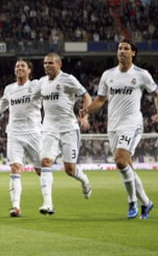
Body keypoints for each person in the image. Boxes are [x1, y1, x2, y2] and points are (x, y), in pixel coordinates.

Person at [81, 40, 158, 219]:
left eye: (126, 49)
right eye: (120, 48)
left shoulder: (141, 74)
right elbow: (100, 100)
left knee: (119, 160)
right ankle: (147, 203)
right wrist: (87, 110)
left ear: (133, 53)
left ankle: (132, 201)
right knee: (126, 165)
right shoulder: (108, 75)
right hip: (113, 126)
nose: (122, 51)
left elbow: (157, 93)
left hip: (132, 123)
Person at [0, 59, 42, 217]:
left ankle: (48, 201)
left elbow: (52, 92)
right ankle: (16, 207)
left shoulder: (36, 86)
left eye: (22, 66)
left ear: (29, 71)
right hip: (14, 133)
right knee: (15, 168)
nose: (19, 68)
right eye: (17, 66)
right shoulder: (10, 89)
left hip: (34, 132)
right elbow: (1, 107)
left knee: (41, 169)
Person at [38, 52, 92, 215]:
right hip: (49, 128)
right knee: (46, 162)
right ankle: (48, 204)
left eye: (50, 63)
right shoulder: (41, 82)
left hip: (69, 128)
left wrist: (85, 114)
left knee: (69, 169)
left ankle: (84, 180)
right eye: (45, 63)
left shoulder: (68, 79)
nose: (47, 66)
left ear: (59, 65)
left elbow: (86, 96)